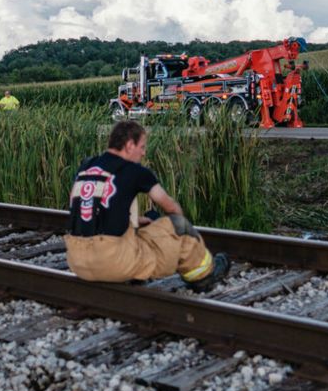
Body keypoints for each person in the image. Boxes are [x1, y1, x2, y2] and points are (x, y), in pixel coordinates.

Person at [64, 120, 230, 291]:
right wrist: (171, 232)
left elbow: (88, 208)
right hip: (112, 262)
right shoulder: (135, 171)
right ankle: (203, 276)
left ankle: (134, 271)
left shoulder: (86, 166)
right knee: (179, 226)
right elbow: (172, 209)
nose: (143, 153)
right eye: (142, 147)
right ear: (129, 145)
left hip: (78, 261)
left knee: (148, 221)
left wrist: (135, 222)